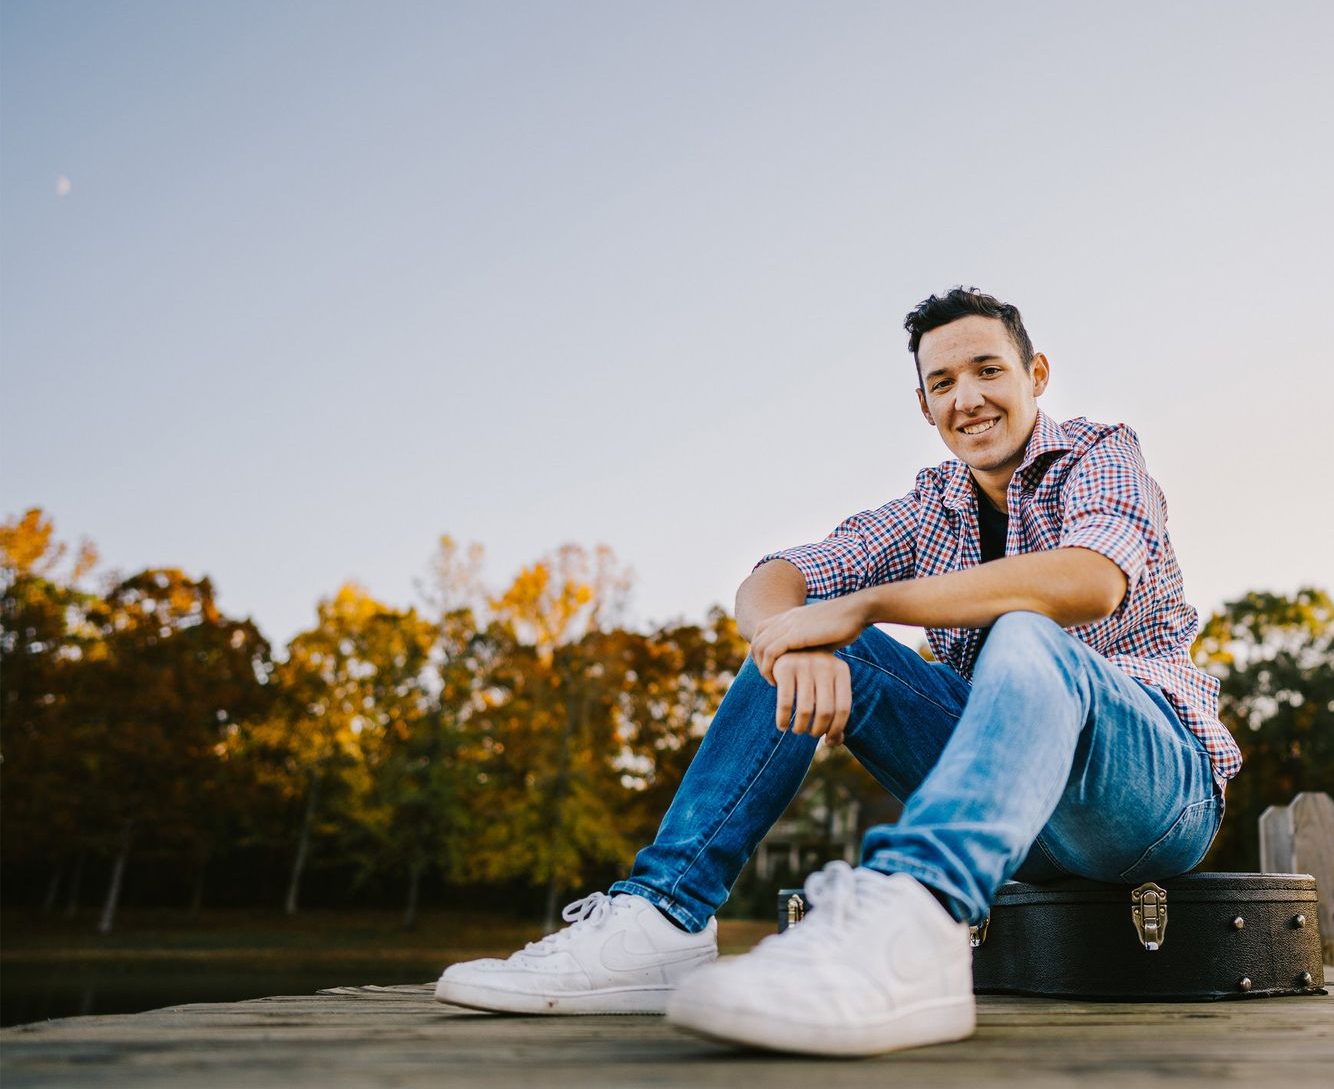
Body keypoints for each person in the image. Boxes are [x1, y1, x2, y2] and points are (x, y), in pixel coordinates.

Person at [434, 286, 1241, 1056]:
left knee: (1024, 632)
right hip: (1019, 824)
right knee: (799, 633)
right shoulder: (931, 506)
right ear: (924, 406)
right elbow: (775, 577)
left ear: (1035, 375)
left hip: (1151, 796)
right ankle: (664, 917)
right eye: (943, 383)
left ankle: (916, 922)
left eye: (988, 369)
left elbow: (1089, 579)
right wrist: (797, 638)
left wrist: (865, 606)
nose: (968, 398)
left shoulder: (1100, 455)